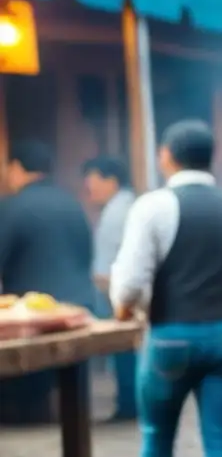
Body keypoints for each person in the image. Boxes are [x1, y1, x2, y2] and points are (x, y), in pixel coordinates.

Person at [110, 120, 222, 457]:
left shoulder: (152, 206)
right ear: (209, 158)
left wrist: (124, 310)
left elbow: (131, 284)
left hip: (169, 337)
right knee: (221, 442)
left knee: (157, 436)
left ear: (165, 156)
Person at [0, 141, 94, 423]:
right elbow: (86, 252)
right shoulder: (72, 203)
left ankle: (25, 414)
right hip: (79, 303)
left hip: (36, 311)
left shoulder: (11, 207)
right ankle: (70, 414)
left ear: (16, 168)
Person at [84, 155, 137, 421]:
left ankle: (127, 405)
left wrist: (112, 305)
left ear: (111, 181)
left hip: (118, 296)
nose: (89, 190)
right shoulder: (130, 204)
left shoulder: (115, 214)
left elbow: (103, 271)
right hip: (132, 294)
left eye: (92, 182)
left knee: (124, 354)